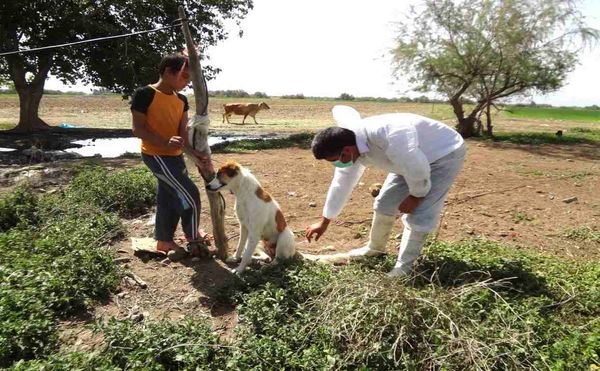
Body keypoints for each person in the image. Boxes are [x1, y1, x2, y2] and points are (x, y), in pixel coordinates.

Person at [305, 105, 466, 276]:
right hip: (407, 161)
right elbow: (341, 184)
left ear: (347, 151)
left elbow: (416, 166)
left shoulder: (390, 136)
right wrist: (325, 221)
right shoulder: (351, 146)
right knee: (384, 204)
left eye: (335, 160)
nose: (336, 164)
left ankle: (404, 269)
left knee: (420, 213)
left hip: (443, 153)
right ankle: (375, 249)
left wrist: (416, 196)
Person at [130, 53, 210, 257]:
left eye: (189, 80)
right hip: (156, 155)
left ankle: (164, 241)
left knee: (168, 196)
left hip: (175, 156)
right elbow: (138, 129)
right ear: (167, 72)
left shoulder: (181, 101)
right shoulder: (145, 94)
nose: (185, 83)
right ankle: (193, 237)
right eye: (183, 77)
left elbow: (182, 136)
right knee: (191, 194)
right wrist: (164, 142)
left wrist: (195, 155)